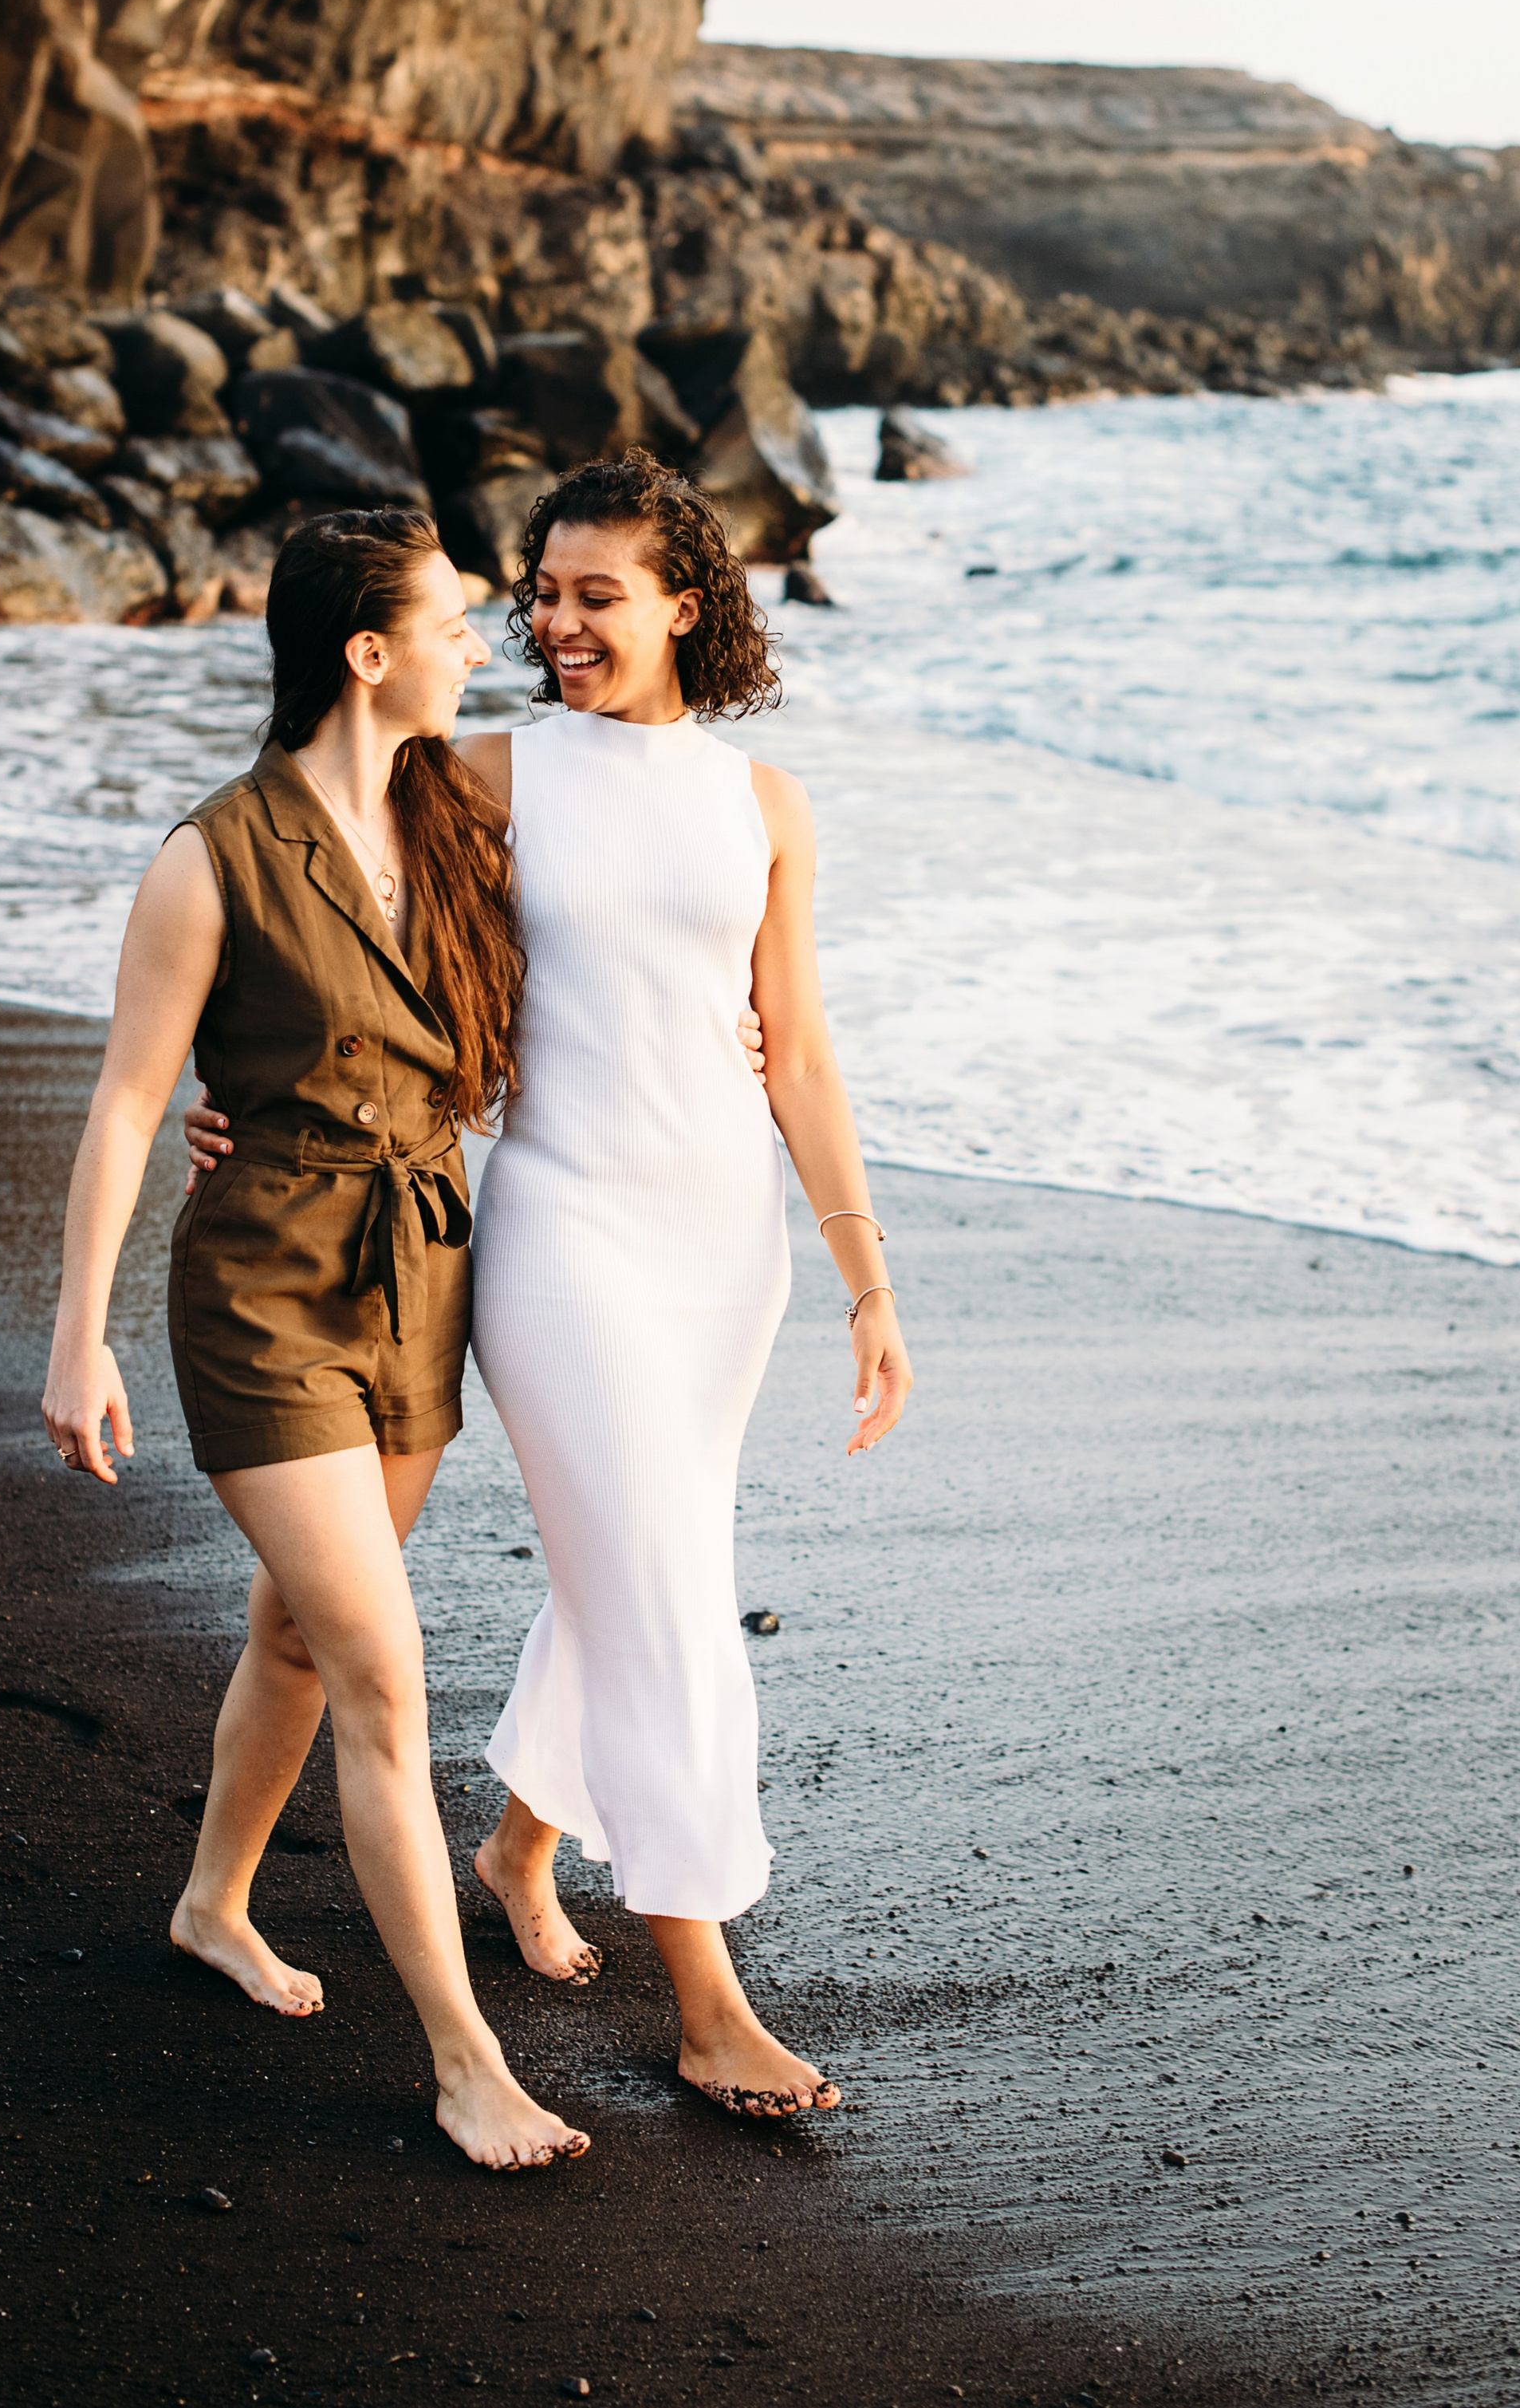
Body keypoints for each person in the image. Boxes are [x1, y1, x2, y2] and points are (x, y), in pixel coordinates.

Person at [190, 453, 914, 2122]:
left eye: (599, 592)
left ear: (683, 603)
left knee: (636, 1554)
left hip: (720, 1242)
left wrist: (864, 1274)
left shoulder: (762, 803)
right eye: (543, 589)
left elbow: (793, 1049)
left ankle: (522, 1844)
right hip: (562, 1231)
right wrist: (220, 1083)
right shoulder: (484, 773)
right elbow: (284, 877)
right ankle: (709, 1997)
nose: (558, 619)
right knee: (661, 1585)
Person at [41, 508, 589, 2170]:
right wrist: (79, 1335)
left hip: (423, 1269)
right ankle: (463, 2060)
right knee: (377, 1664)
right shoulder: (207, 857)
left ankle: (213, 1898)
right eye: (452, 623)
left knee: (296, 1632)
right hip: (263, 1293)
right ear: (367, 652)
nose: (482, 646)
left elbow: (642, 835)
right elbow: (133, 1100)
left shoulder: (463, 806)